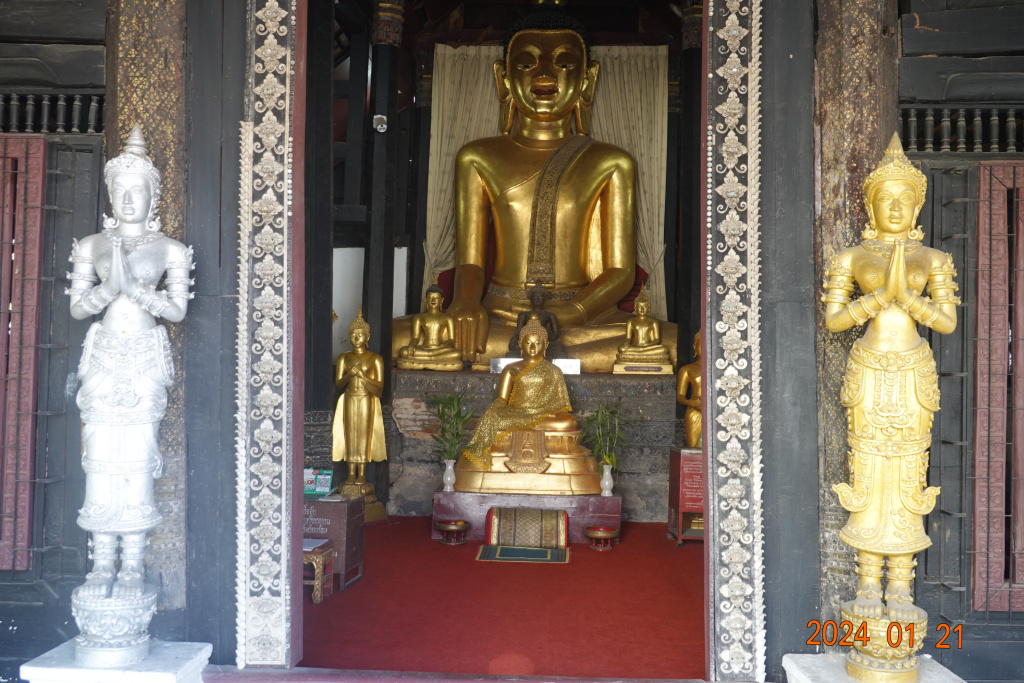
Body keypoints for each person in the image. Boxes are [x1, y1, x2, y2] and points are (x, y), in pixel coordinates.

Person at [392, 7, 676, 371]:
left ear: (587, 80)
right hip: (501, 317)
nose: (544, 74)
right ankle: (553, 359)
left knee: (673, 342)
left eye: (564, 63)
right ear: (504, 79)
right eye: (526, 64)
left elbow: (620, 273)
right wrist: (465, 303)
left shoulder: (611, 161)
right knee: (397, 336)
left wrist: (570, 313)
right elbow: (471, 261)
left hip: (581, 320)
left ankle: (526, 358)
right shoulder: (477, 157)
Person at [823, 133, 958, 623]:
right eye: (887, 198)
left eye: (905, 198)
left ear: (918, 204)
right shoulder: (852, 257)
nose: (896, 207)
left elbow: (947, 322)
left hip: (913, 372)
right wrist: (881, 298)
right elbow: (835, 320)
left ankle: (900, 583)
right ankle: (867, 581)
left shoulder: (933, 258)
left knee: (908, 468)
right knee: (867, 464)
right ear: (871, 205)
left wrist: (910, 300)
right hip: (869, 369)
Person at [66, 124, 194, 599]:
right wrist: (107, 289)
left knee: (138, 458)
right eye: (119, 190)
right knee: (99, 459)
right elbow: (77, 309)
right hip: (103, 358)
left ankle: (133, 566)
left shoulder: (170, 249)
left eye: (137, 190)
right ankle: (102, 565)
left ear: (152, 196)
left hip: (143, 359)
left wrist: (136, 290)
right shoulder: (92, 245)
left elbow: (177, 311)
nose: (127, 199)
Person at [462, 317, 575, 470]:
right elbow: (502, 399)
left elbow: (561, 404)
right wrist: (495, 409)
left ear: (546, 345)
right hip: (516, 413)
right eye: (528, 343)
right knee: (494, 421)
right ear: (520, 344)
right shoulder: (511, 368)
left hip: (544, 416)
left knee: (567, 423)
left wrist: (558, 414)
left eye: (538, 343)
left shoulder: (554, 371)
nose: (533, 347)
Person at [332, 309, 387, 485]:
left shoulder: (375, 358)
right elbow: (339, 383)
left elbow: (379, 388)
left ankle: (361, 474)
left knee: (363, 434)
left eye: (360, 334)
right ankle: (350, 473)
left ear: (367, 337)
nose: (356, 338)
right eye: (353, 335)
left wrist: (362, 376)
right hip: (349, 397)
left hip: (365, 399)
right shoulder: (344, 357)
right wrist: (350, 375)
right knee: (350, 434)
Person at [397, 284, 462, 370]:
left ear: (442, 300)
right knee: (404, 351)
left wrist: (440, 346)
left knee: (457, 354)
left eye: (436, 298)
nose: (433, 300)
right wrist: (411, 346)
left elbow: (451, 340)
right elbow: (415, 338)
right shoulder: (419, 317)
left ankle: (426, 360)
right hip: (424, 348)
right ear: (426, 299)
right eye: (430, 298)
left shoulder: (447, 318)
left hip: (440, 349)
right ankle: (433, 360)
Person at [506, 283, 567, 358]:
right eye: (535, 297)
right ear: (531, 299)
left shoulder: (550, 315)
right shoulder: (523, 314)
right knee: (513, 346)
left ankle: (540, 350)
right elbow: (519, 331)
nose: (538, 299)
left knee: (560, 346)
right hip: (527, 343)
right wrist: (514, 338)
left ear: (544, 299)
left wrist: (543, 338)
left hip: (542, 342)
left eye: (541, 297)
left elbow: (556, 333)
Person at [616, 285, 671, 363]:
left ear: (649, 308)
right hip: (636, 347)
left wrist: (648, 345)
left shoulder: (653, 322)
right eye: (640, 306)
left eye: (645, 306)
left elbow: (657, 339)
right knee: (621, 349)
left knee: (664, 349)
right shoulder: (631, 321)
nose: (642, 309)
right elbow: (628, 338)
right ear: (635, 308)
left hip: (648, 347)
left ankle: (639, 354)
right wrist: (626, 343)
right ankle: (642, 353)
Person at [676, 332, 702, 448]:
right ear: (694, 347)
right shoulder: (687, 369)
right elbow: (680, 395)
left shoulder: (719, 369)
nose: (704, 349)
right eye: (700, 346)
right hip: (694, 410)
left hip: (713, 411)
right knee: (694, 447)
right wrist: (690, 402)